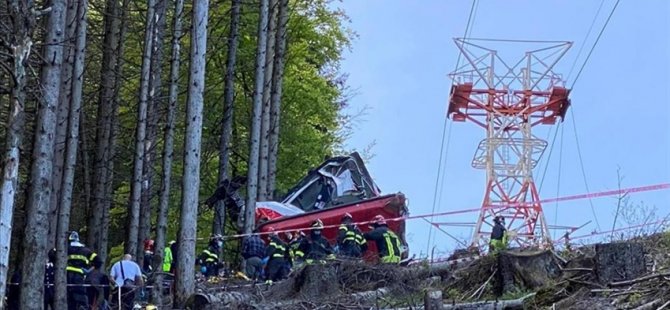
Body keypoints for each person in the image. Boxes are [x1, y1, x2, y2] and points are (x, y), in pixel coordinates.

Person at [67, 230, 102, 310]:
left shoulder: (66, 249)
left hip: (67, 276)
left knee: (69, 299)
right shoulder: (86, 250)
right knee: (80, 297)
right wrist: (89, 271)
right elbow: (98, 262)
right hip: (79, 277)